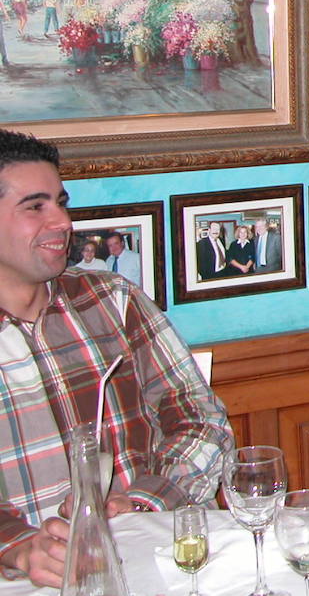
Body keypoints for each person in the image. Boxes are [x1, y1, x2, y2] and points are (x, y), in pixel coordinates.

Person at [0, 130, 232, 586]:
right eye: (35, 206)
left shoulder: (111, 301)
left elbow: (203, 421)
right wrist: (19, 547)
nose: (62, 222)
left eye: (61, 203)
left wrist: (141, 501)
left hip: (154, 558)